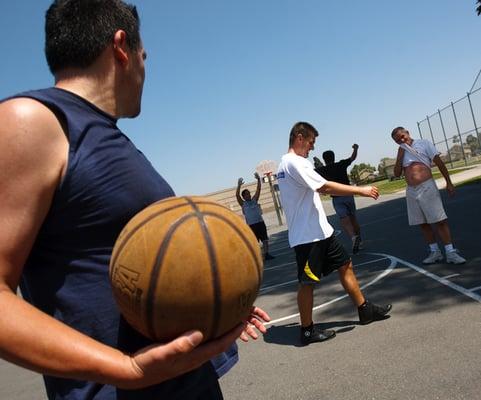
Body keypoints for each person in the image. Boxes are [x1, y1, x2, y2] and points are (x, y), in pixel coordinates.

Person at [0, 1, 270, 399]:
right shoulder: (32, 119)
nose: (145, 69)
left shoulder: (107, 138)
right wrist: (126, 369)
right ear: (122, 47)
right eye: (145, 55)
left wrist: (213, 302)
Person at [277, 122, 392, 346]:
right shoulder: (294, 162)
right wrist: (361, 190)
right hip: (308, 238)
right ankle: (307, 330)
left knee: (345, 264)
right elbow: (325, 187)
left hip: (321, 232)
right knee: (307, 282)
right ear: (299, 137)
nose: (312, 148)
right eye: (311, 142)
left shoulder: (287, 164)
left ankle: (364, 310)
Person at [391, 127, 466, 265]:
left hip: (427, 186)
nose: (401, 140)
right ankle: (435, 252)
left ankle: (450, 252)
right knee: (422, 222)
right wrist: (400, 154)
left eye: (402, 136)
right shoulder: (401, 150)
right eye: (397, 140)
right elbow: (396, 174)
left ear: (407, 132)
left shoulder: (424, 143)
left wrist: (448, 182)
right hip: (411, 190)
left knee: (439, 220)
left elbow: (439, 162)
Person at [315, 144, 363, 254]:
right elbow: (352, 158)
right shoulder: (341, 164)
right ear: (333, 157)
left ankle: (353, 237)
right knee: (353, 218)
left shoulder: (322, 170)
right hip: (348, 194)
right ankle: (359, 238)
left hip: (337, 198)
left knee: (344, 220)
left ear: (324, 159)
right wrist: (355, 149)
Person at [236, 172, 275, 260]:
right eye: (246, 194)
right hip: (251, 225)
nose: (248, 195)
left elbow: (258, 190)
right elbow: (237, 196)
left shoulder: (254, 200)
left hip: (260, 223)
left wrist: (258, 180)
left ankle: (267, 254)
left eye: (249, 193)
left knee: (265, 240)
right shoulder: (243, 204)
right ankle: (258, 257)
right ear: (243, 196)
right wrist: (238, 186)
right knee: (255, 242)